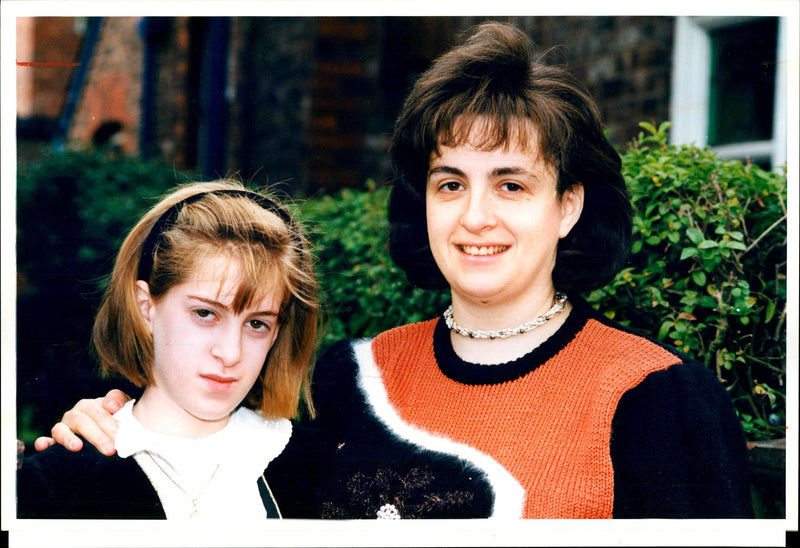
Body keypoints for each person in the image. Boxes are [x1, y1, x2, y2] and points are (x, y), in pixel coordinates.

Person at [35, 22, 754, 519]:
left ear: (567, 205)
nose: (475, 216)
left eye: (511, 184)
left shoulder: (656, 397)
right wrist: (108, 427)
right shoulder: (342, 385)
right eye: (450, 183)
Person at [18, 180, 326, 520]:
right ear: (146, 308)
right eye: (205, 314)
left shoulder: (314, 468)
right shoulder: (57, 483)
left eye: (257, 323)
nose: (230, 353)